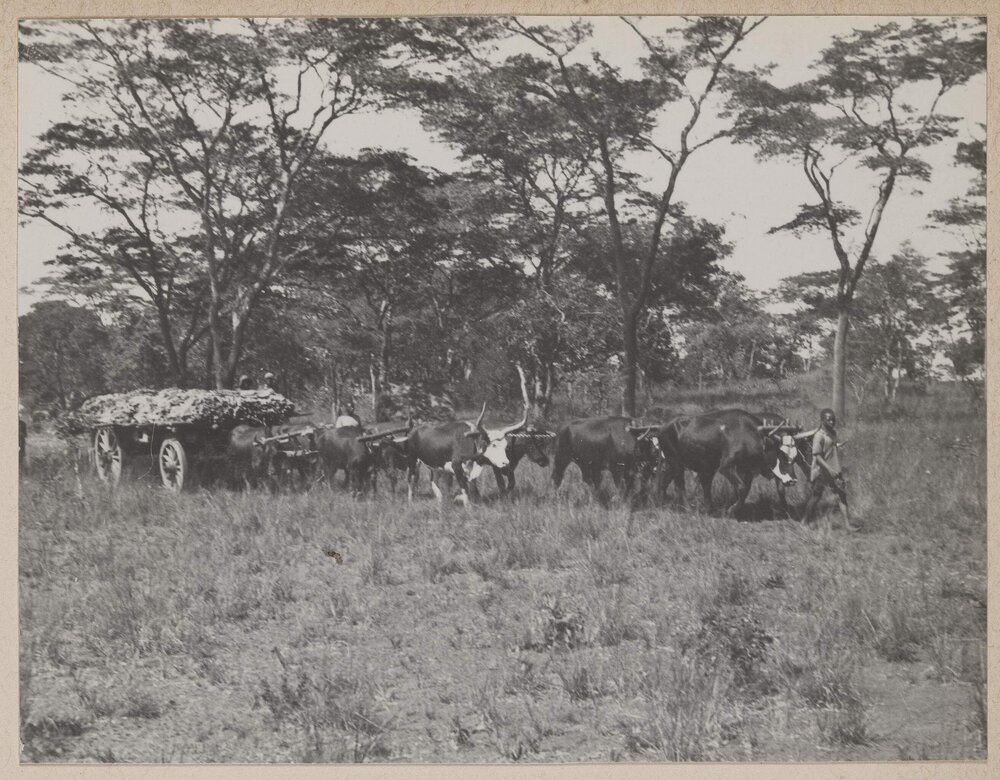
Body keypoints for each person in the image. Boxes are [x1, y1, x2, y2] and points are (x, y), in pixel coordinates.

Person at [801, 408, 860, 531]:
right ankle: (805, 522)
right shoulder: (818, 436)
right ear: (822, 420)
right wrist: (828, 468)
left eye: (833, 420)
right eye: (829, 420)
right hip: (823, 471)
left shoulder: (832, 433)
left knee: (841, 495)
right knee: (816, 497)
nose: (832, 422)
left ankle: (847, 525)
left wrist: (838, 445)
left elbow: (830, 447)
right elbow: (817, 456)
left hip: (835, 469)